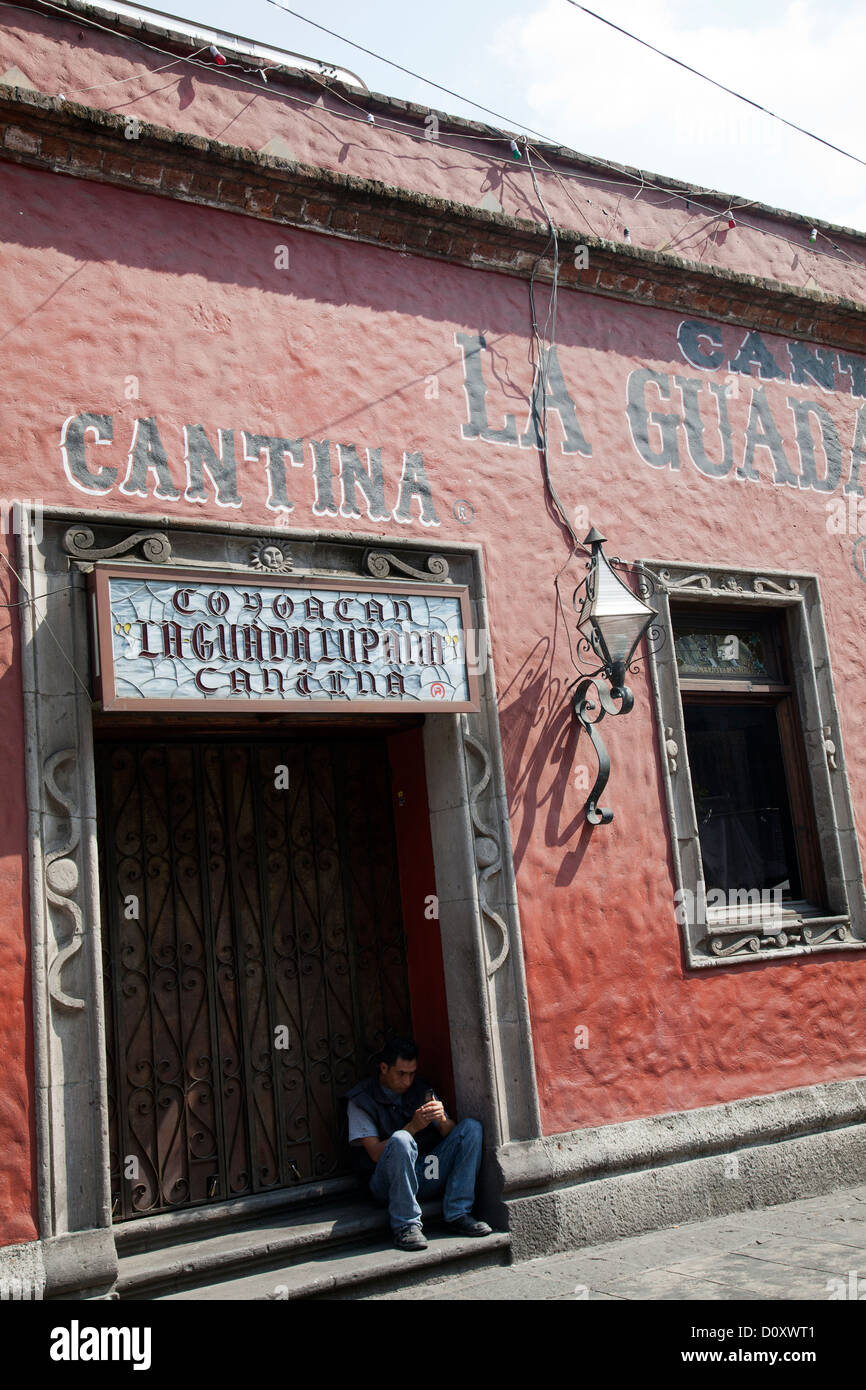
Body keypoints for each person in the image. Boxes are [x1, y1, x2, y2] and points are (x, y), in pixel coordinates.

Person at [343, 1036, 493, 1251]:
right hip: (386, 1183)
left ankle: (458, 1213)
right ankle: (406, 1226)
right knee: (401, 1139)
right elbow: (375, 1154)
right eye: (401, 1074)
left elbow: (450, 1135)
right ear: (384, 1068)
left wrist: (442, 1120)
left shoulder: (421, 1089)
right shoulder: (361, 1099)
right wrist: (412, 1127)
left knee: (471, 1128)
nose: (407, 1081)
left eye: (412, 1073)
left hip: (427, 1172)